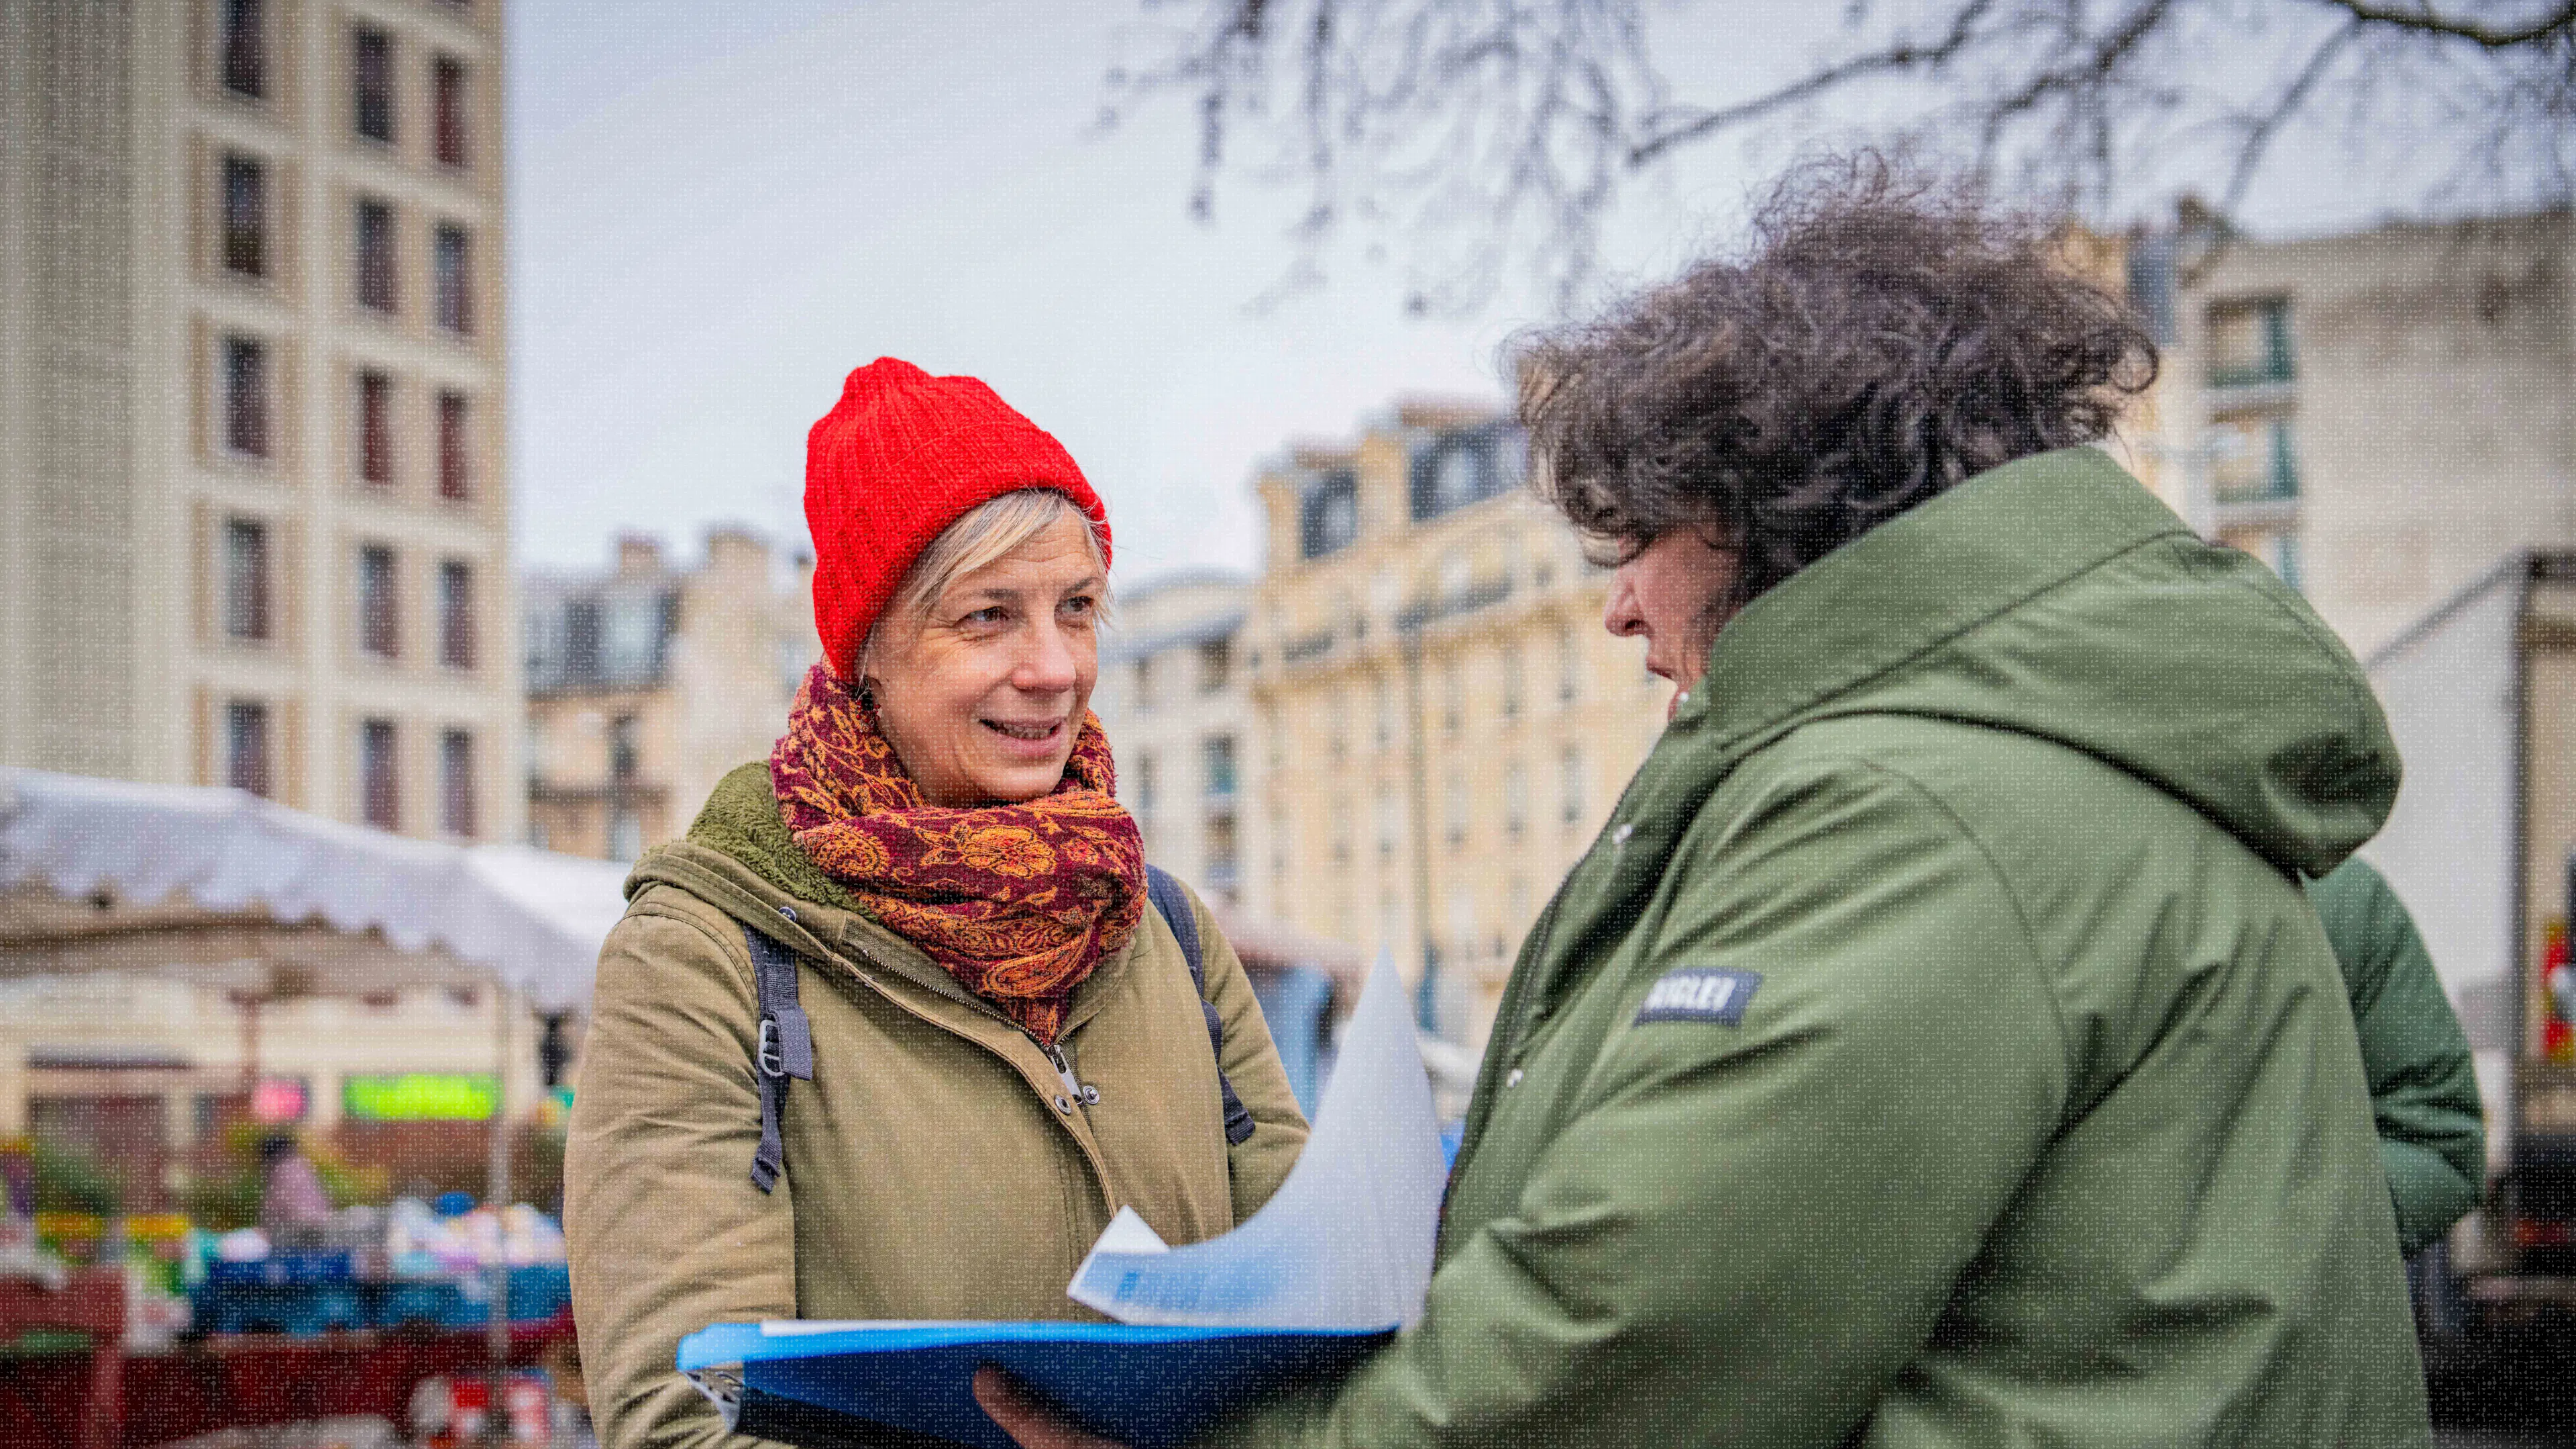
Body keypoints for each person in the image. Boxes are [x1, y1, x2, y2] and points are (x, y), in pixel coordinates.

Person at [981, 159, 2430, 1448]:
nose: (1617, 606)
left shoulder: (1917, 813)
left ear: (1769, 506)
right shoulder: (2051, 744)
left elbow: (1630, 1341)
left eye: (1636, 534)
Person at [565, 358, 1311, 1448]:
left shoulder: (1167, 930)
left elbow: (1319, 1309)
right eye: (989, 617)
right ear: (868, 648)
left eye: (1077, 608)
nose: (1054, 666)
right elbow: (688, 1418)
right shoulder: (706, 955)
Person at [2308, 857, 2486, 1253]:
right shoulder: (2344, 893)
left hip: (2310, 1290)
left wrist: (2279, 1227)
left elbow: (2440, 1147)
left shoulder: (2342, 897)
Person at [256, 1133, 330, 1248]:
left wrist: (266, 1229)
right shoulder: (305, 1165)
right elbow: (324, 1198)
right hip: (320, 1224)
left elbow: (274, 1206)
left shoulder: (280, 1170)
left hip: (295, 1229)